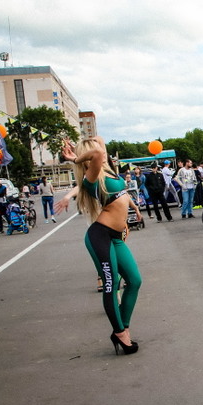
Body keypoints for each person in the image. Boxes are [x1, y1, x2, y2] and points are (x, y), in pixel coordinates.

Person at [60, 137, 142, 355]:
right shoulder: (92, 176)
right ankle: (121, 333)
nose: (102, 152)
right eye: (97, 150)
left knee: (134, 280)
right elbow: (96, 154)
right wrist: (75, 158)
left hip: (116, 236)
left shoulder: (108, 172)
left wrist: (135, 208)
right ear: (88, 158)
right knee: (111, 284)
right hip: (100, 236)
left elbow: (100, 148)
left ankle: (122, 327)